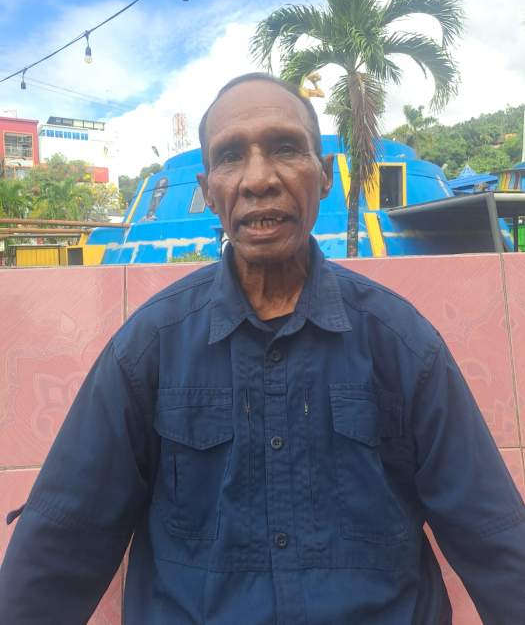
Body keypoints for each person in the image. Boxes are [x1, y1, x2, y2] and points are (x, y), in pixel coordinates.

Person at [1, 73, 524, 624]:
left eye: (285, 149)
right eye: (231, 157)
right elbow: (63, 539)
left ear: (324, 176)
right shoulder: (149, 347)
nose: (258, 180)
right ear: (209, 190)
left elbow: (494, 538)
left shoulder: (401, 343)